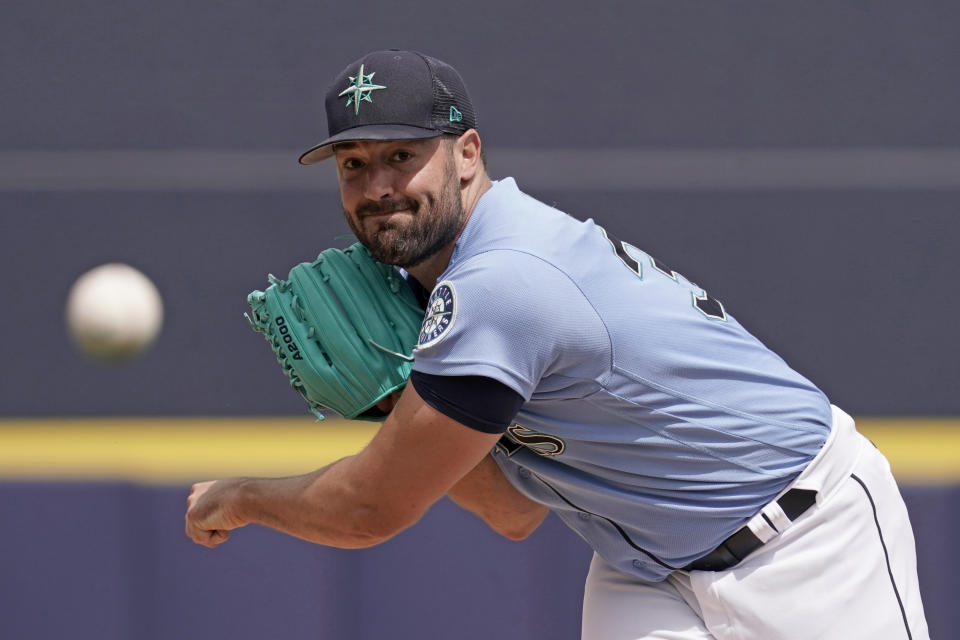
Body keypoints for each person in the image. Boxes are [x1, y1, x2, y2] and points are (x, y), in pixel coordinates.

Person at [185, 50, 929, 639]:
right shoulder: (449, 287)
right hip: (646, 566)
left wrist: (240, 497)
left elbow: (370, 512)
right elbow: (513, 511)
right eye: (355, 165)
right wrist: (394, 402)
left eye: (401, 155)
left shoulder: (502, 283)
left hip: (808, 536)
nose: (378, 185)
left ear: (466, 153)